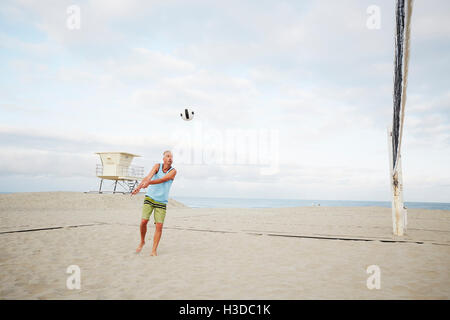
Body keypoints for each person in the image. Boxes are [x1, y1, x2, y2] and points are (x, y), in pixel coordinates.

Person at [131, 150, 177, 256]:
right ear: (163, 159)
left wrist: (149, 183)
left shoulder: (173, 171)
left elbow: (162, 180)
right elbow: (148, 177)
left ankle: (153, 250)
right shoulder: (157, 166)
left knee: (159, 226)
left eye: (171, 157)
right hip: (150, 198)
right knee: (143, 221)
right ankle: (142, 241)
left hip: (162, 201)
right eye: (168, 156)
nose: (170, 158)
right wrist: (138, 187)